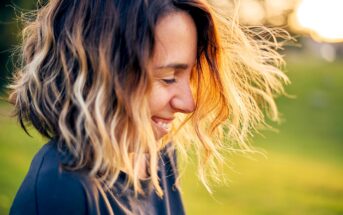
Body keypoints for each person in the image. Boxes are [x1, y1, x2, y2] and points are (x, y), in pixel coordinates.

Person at [8, 0, 289, 214]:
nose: (188, 104)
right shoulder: (59, 193)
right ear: (100, 73)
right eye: (168, 78)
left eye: (188, 75)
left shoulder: (158, 154)